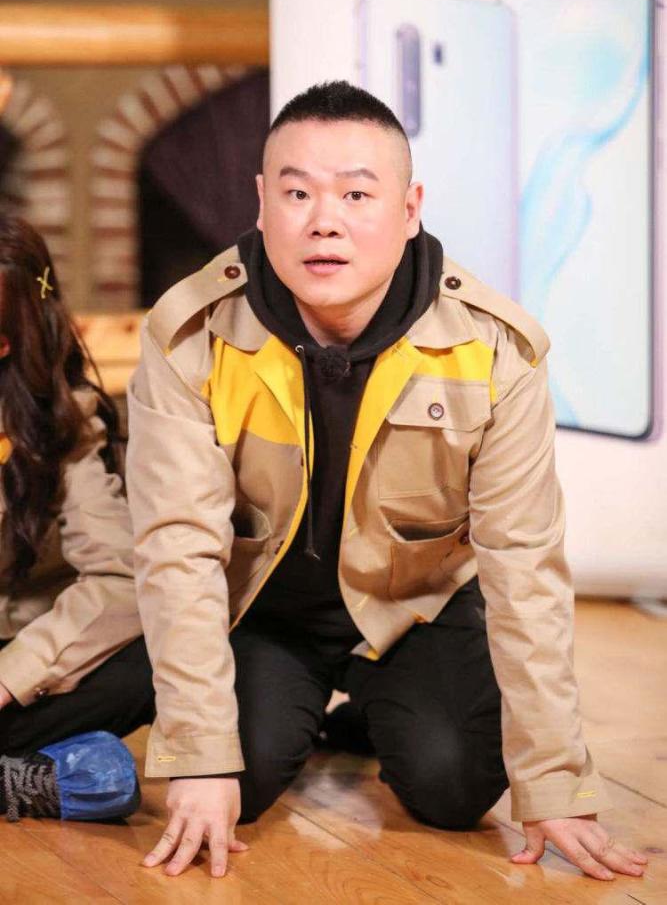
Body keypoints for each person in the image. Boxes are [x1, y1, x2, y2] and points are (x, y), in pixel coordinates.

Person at [127, 81, 648, 882]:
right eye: (296, 193)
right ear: (261, 204)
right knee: (233, 781)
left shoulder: (493, 348)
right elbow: (177, 549)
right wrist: (198, 756)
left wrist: (553, 782)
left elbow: (523, 566)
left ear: (409, 210)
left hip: (417, 608)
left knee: (453, 787)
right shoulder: (188, 333)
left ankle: (374, 711)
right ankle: (301, 713)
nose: (323, 221)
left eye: (356, 194)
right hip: (267, 611)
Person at [0, 215, 154, 819]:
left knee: (150, 665)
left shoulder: (64, 425)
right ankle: (37, 781)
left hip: (23, 657)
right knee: (102, 777)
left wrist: (12, 675)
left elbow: (122, 581)